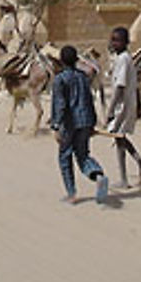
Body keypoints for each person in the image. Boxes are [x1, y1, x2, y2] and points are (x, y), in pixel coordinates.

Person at [50, 45, 109, 204]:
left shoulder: (60, 79)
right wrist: (92, 123)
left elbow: (60, 105)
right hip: (85, 121)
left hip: (69, 124)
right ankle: (98, 175)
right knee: (83, 155)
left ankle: (72, 193)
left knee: (64, 156)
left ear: (61, 61)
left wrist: (56, 126)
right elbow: (89, 99)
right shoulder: (83, 77)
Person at [105, 26, 141, 187]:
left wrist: (110, 110)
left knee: (119, 137)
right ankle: (140, 165)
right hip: (123, 105)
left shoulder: (124, 59)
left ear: (125, 42)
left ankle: (127, 177)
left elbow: (120, 87)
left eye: (117, 40)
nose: (114, 43)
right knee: (120, 138)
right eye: (113, 39)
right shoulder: (120, 58)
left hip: (122, 106)